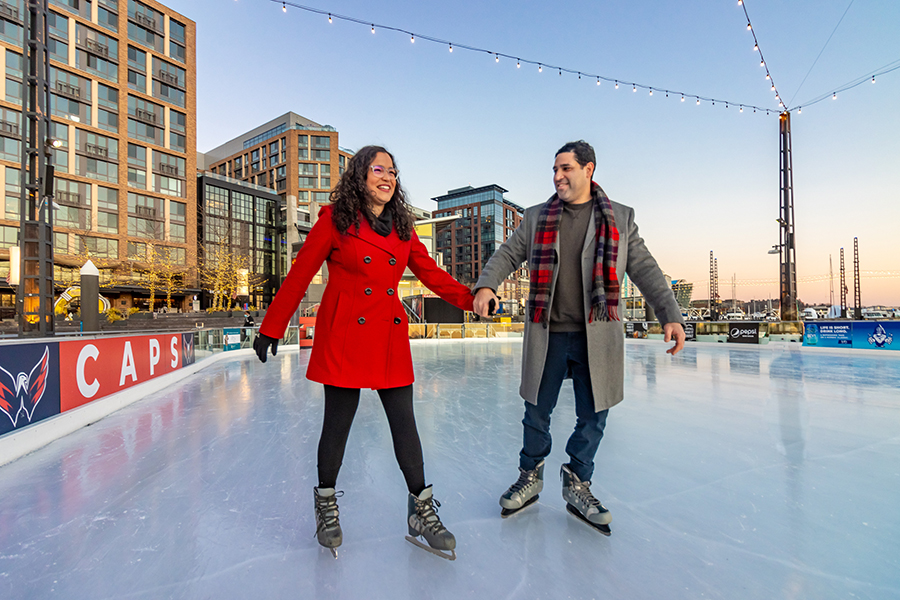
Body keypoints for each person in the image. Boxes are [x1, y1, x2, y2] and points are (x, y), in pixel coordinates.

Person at [253, 146, 474, 560]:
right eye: (378, 169)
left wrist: (472, 299)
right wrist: (271, 326)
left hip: (388, 339)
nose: (387, 177)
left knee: (405, 425)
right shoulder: (335, 222)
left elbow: (433, 276)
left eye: (393, 170)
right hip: (344, 338)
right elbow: (300, 273)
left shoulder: (404, 229)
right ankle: (325, 504)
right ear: (360, 175)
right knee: (337, 425)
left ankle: (420, 510)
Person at [473, 140, 685, 535]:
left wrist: (670, 314)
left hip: (596, 335)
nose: (558, 176)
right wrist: (487, 285)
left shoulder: (619, 217)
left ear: (589, 170)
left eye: (566, 168)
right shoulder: (537, 217)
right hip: (549, 333)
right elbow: (507, 253)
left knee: (594, 415)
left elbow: (646, 269)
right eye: (555, 169)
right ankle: (529, 476)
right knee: (536, 412)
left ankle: (578, 481)